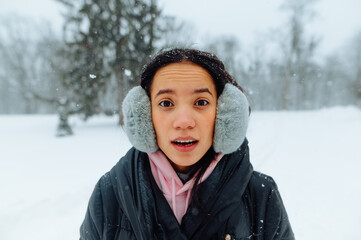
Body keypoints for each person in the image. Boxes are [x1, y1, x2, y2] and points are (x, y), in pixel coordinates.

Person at [79, 48, 295, 240]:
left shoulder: (261, 196)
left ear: (224, 113)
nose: (184, 122)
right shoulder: (109, 193)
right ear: (144, 115)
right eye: (166, 103)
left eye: (201, 102)